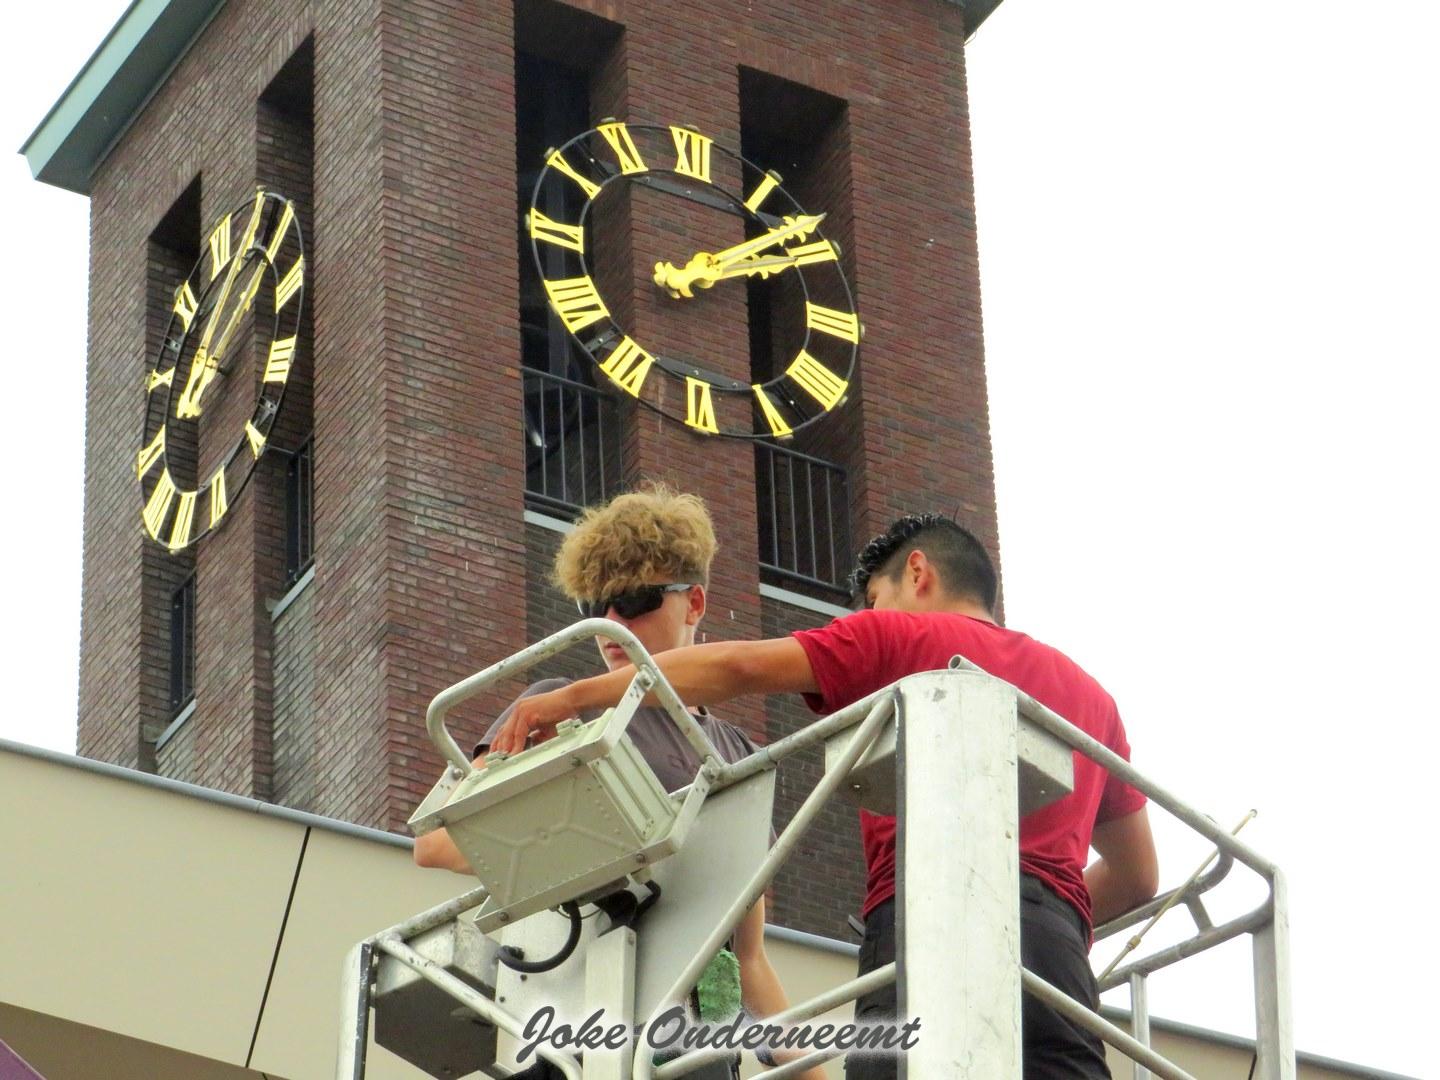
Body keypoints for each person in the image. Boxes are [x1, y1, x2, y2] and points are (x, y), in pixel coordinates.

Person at [492, 513, 1160, 1079]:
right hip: (1060, 957)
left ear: (918, 574)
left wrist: (573, 696)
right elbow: (1137, 876)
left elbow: (735, 667)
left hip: (922, 921)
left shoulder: (901, 635)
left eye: (874, 597)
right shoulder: (1090, 697)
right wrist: (1033, 932)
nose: (868, 616)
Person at [414, 484, 823, 1080]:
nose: (612, 624)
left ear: (695, 603)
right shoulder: (556, 710)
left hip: (694, 1041)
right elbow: (436, 842)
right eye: (596, 607)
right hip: (577, 1024)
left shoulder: (739, 755)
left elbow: (749, 954)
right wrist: (576, 838)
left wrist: (811, 1073)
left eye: (634, 601)